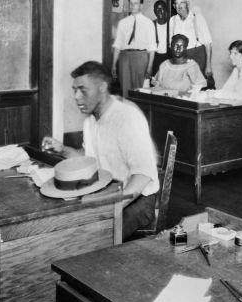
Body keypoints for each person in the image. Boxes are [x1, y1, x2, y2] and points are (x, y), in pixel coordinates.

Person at [41, 62, 159, 241]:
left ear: (102, 87)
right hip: (108, 191)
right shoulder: (90, 121)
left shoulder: (127, 117)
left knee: (89, 238)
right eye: (75, 90)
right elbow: (88, 160)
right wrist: (62, 149)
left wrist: (111, 208)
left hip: (138, 199)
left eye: (83, 90)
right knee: (67, 230)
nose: (76, 97)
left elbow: (143, 175)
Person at [209, 40, 242, 136]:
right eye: (230, 53)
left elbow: (239, 96)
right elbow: (226, 89)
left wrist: (216, 94)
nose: (231, 56)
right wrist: (213, 93)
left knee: (220, 129)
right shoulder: (236, 70)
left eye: (235, 53)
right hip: (241, 111)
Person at [112, 0, 157, 98]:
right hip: (125, 57)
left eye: (135, 3)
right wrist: (114, 64)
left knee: (140, 90)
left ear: (141, 6)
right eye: (131, 3)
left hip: (141, 57)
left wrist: (149, 67)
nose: (132, 6)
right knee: (125, 90)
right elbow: (118, 45)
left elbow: (152, 47)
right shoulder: (122, 23)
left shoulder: (148, 23)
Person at [168, 0, 213, 86]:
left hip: (197, 55)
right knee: (182, 85)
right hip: (180, 57)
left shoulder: (197, 18)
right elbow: (171, 43)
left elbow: (208, 43)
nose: (179, 6)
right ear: (174, 6)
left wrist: (208, 65)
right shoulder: (172, 20)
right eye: (176, 3)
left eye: (182, 3)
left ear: (187, 3)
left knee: (197, 85)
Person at [150, 0, 170, 77]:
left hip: (168, 57)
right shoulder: (151, 25)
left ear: (166, 10)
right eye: (157, 9)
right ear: (154, 11)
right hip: (156, 58)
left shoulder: (171, 24)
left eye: (162, 9)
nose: (160, 11)